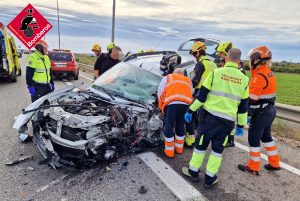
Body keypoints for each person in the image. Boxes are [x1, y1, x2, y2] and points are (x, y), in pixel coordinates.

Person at [181, 48, 249, 189]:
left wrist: (190, 110)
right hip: (227, 123)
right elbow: (243, 107)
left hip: (209, 120)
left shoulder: (215, 73)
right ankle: (209, 179)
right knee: (217, 151)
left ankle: (193, 172)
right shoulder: (244, 79)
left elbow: (201, 97)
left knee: (200, 146)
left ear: (226, 58)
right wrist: (241, 125)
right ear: (239, 61)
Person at [238, 46, 281, 175]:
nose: (249, 62)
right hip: (270, 110)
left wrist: (243, 106)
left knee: (253, 138)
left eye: (251, 59)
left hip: (261, 112)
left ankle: (253, 167)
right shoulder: (269, 72)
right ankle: (274, 163)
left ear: (256, 60)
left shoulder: (259, 76)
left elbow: (253, 98)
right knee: (266, 136)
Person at [186, 41, 217, 147]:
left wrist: (186, 84)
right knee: (202, 118)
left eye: (194, 53)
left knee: (189, 114)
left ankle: (190, 140)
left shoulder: (200, 64)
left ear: (198, 53)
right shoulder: (213, 64)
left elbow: (195, 81)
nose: (194, 56)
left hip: (200, 93)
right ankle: (201, 139)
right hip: (212, 95)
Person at [215, 41, 246, 147]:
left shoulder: (238, 68)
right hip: (228, 98)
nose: (220, 56)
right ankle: (227, 137)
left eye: (221, 54)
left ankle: (230, 139)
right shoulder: (224, 65)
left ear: (227, 54)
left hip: (234, 99)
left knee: (231, 118)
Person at [157, 68, 193, 158]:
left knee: (169, 125)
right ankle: (179, 149)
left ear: (174, 73)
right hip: (185, 105)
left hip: (172, 104)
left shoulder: (168, 77)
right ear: (182, 74)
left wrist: (161, 105)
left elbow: (160, 91)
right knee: (180, 125)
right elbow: (192, 92)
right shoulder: (188, 80)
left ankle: (169, 152)